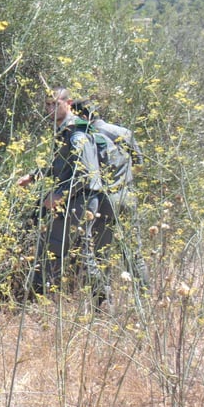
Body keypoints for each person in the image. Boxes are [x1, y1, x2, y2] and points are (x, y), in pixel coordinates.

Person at [16, 88, 109, 304]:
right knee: (78, 252)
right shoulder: (65, 130)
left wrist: (60, 194)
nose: (50, 108)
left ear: (69, 102)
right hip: (76, 198)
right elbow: (62, 165)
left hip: (80, 199)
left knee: (57, 248)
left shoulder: (76, 132)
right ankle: (101, 302)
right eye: (47, 104)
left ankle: (33, 300)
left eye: (54, 103)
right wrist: (34, 176)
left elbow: (84, 172)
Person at [71, 99, 150, 290]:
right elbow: (139, 163)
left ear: (81, 116)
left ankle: (103, 302)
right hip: (127, 196)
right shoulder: (123, 132)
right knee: (134, 254)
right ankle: (145, 296)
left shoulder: (85, 137)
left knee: (101, 255)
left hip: (104, 201)